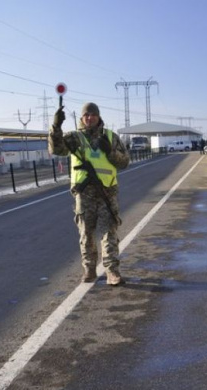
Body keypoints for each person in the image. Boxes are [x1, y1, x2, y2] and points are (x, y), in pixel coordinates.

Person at [48, 102, 130, 286]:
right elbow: (56, 149)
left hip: (106, 194)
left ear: (99, 116)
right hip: (84, 195)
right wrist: (56, 127)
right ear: (82, 118)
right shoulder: (75, 138)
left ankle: (112, 272)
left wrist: (110, 152)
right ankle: (89, 269)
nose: (89, 118)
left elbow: (124, 162)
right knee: (86, 234)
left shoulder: (111, 137)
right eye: (86, 115)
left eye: (93, 114)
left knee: (108, 233)